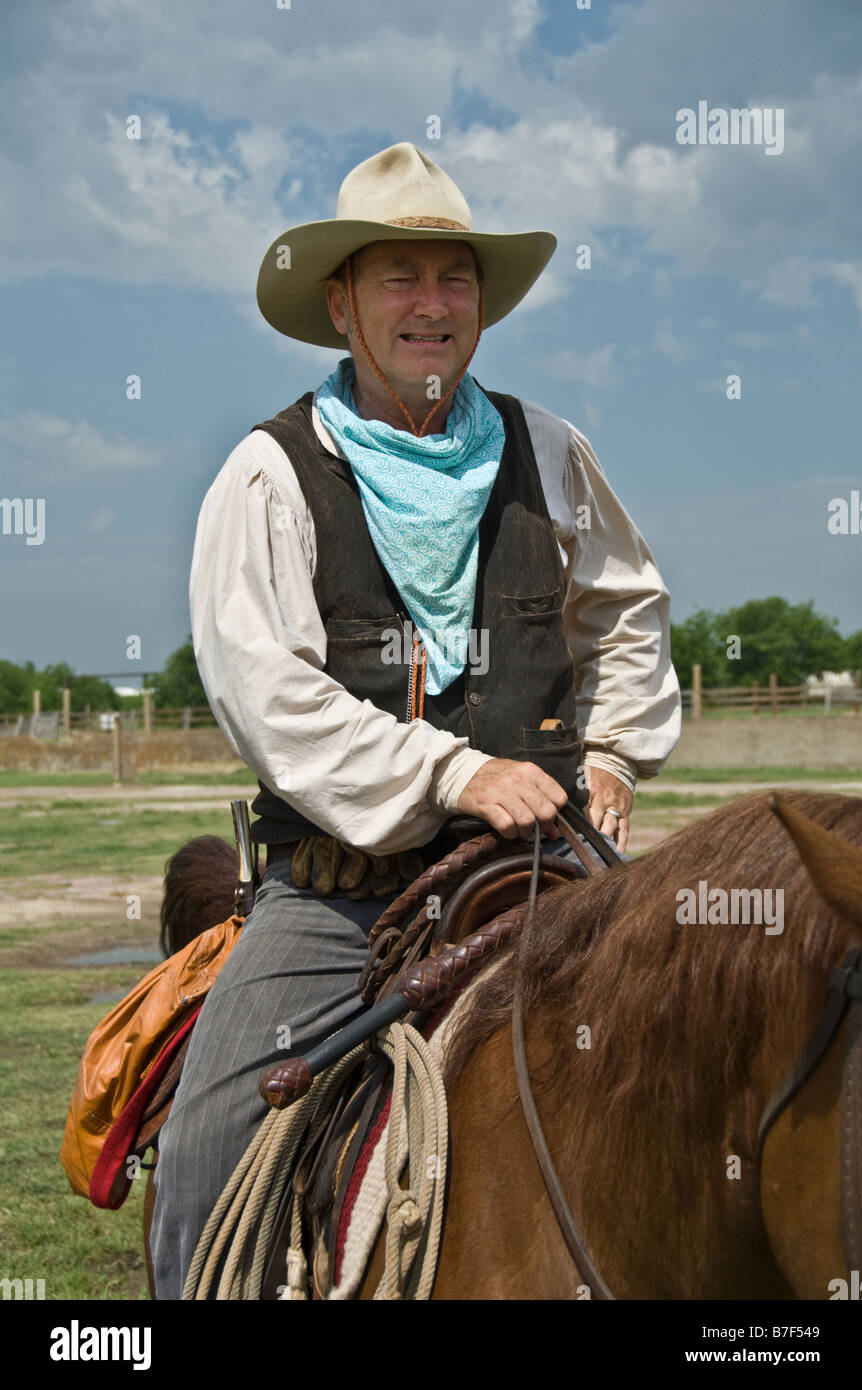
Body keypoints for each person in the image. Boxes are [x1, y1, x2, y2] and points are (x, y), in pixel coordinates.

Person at [149, 142, 681, 1298]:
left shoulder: (550, 451)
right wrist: (452, 772)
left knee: (708, 1075)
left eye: (454, 278)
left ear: (482, 304)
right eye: (400, 277)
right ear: (341, 303)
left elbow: (629, 610)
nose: (431, 305)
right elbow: (268, 694)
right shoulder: (269, 474)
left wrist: (615, 761)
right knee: (201, 1154)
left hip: (543, 871)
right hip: (341, 900)